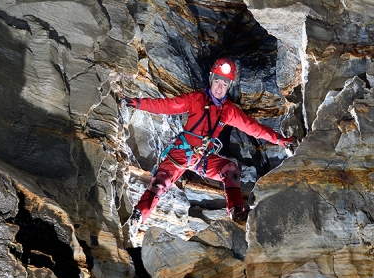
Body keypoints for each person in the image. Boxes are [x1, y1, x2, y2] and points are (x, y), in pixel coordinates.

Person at [124, 57, 295, 239]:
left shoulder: (228, 110)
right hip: (181, 152)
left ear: (229, 87)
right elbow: (168, 106)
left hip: (202, 158)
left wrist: (279, 140)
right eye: (217, 81)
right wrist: (139, 103)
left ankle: (237, 212)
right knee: (160, 182)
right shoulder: (196, 99)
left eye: (224, 84)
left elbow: (253, 127)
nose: (219, 87)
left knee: (230, 169)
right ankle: (137, 217)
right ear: (211, 80)